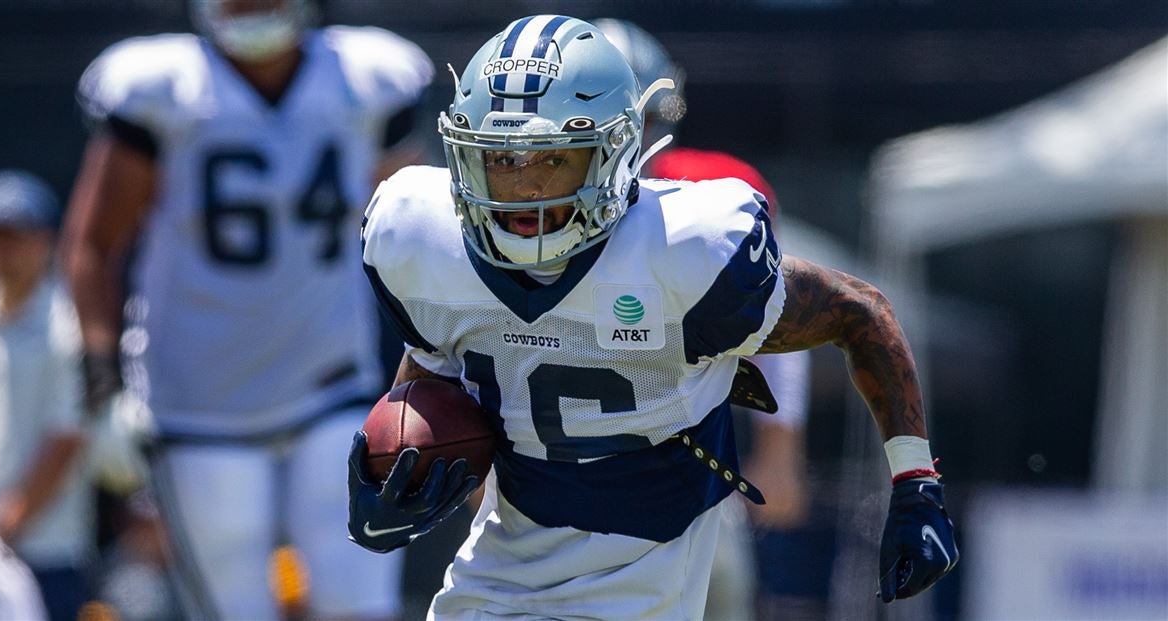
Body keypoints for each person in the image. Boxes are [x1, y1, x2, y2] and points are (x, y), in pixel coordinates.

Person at [351, 15, 958, 620]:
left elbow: (858, 311)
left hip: (645, 592)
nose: (524, 190)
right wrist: (396, 479)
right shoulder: (419, 236)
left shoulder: (686, 251)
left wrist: (915, 482)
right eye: (502, 161)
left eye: (552, 159)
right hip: (493, 588)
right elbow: (431, 375)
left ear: (615, 149)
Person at [61, 0, 433, 618]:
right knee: (237, 610)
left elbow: (413, 232)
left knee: (358, 604)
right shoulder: (165, 89)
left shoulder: (364, 80)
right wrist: (100, 377)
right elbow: (93, 244)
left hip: (331, 384)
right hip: (199, 403)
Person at [593, 18, 814, 619]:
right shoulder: (512, 213)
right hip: (550, 469)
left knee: (723, 594)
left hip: (688, 464)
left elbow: (776, 317)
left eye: (634, 124)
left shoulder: (710, 199)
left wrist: (782, 444)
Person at [0, 170, 94, 621]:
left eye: (16, 237)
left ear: (46, 241)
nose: (2, 251)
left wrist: (3, 529)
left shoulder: (69, 329)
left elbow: (67, 437)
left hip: (44, 551)